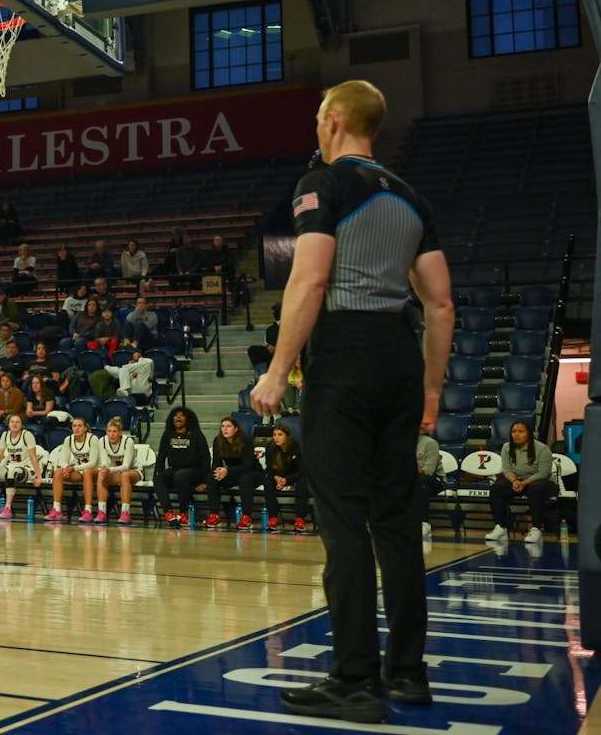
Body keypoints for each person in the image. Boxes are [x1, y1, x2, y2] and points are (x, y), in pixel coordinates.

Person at [251, 80, 453, 723]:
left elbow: (310, 278)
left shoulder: (324, 183)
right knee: (396, 522)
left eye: (319, 116)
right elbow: (440, 304)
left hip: (343, 357)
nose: (316, 125)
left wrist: (277, 371)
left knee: (342, 523)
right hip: (400, 356)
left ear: (335, 119)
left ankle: (356, 680)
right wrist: (431, 390)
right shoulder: (410, 195)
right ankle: (409, 674)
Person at [485, 419, 557, 545]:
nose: (516, 434)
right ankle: (500, 527)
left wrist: (523, 483)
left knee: (535, 489)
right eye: (514, 432)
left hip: (540, 481)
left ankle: (536, 529)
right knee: (497, 488)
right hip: (517, 480)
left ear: (528, 433)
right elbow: (507, 470)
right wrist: (515, 481)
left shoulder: (542, 448)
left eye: (521, 431)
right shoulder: (507, 447)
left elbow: (543, 473)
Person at [248, 422, 312, 533]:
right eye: (274, 435)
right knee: (268, 482)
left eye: (280, 435)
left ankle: (300, 519)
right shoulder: (270, 447)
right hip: (278, 476)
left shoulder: (296, 446)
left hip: (294, 476)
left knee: (303, 483)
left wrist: (287, 480)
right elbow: (269, 468)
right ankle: (273, 518)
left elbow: (302, 470)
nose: (276, 438)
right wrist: (276, 477)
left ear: (287, 436)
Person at [153, 406, 210, 527]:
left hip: (194, 471)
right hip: (175, 470)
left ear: (188, 419)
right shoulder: (168, 434)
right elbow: (161, 456)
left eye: (181, 415)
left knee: (181, 475)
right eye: (176, 415)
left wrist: (205, 482)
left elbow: (206, 458)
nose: (178, 418)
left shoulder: (196, 434)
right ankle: (169, 512)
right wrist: (160, 473)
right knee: (159, 478)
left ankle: (184, 513)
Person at [204, 416, 261, 530]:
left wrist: (227, 470)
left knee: (245, 478)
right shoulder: (218, 441)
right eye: (223, 426)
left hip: (252, 472)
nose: (225, 429)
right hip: (233, 473)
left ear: (236, 429)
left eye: (228, 426)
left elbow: (248, 465)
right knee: (212, 477)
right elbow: (216, 463)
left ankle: (246, 516)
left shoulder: (245, 440)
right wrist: (218, 471)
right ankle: (214, 515)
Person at [46, 417, 98, 522]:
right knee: (58, 472)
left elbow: (93, 463)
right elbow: (63, 460)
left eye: (79, 426)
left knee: (87, 472)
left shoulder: (93, 439)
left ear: (85, 428)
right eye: (74, 426)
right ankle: (56, 509)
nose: (76, 428)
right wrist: (66, 469)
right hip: (79, 470)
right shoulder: (68, 439)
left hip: (95, 471)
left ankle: (88, 510)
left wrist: (73, 468)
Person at [92, 417, 140, 525]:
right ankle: (102, 512)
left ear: (120, 433)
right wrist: (105, 468)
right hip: (115, 472)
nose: (112, 434)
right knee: (101, 474)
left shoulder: (128, 441)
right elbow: (104, 461)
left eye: (114, 431)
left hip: (134, 471)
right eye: (109, 431)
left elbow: (126, 466)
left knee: (124, 475)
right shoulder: (102, 441)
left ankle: (125, 512)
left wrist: (110, 469)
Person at [413, 433, 442, 540]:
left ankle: (423, 524)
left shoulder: (430, 443)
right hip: (411, 478)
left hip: (434, 479)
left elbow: (428, 471)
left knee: (420, 483)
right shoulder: (400, 443)